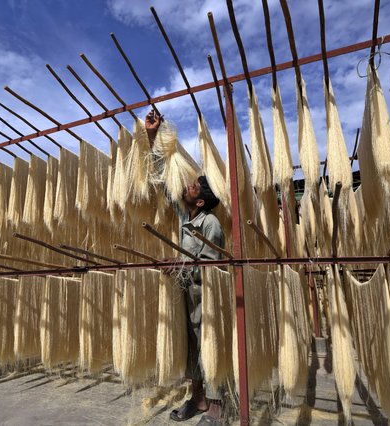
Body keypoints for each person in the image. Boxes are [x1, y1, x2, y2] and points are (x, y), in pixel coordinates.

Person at [145, 110, 226, 425]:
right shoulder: (185, 217)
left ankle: (217, 403)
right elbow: (166, 179)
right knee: (192, 346)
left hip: (207, 299)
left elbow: (208, 266)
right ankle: (198, 398)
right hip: (189, 297)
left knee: (210, 343)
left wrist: (178, 265)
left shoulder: (211, 224)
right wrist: (155, 137)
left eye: (194, 186)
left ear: (201, 200)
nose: (189, 185)